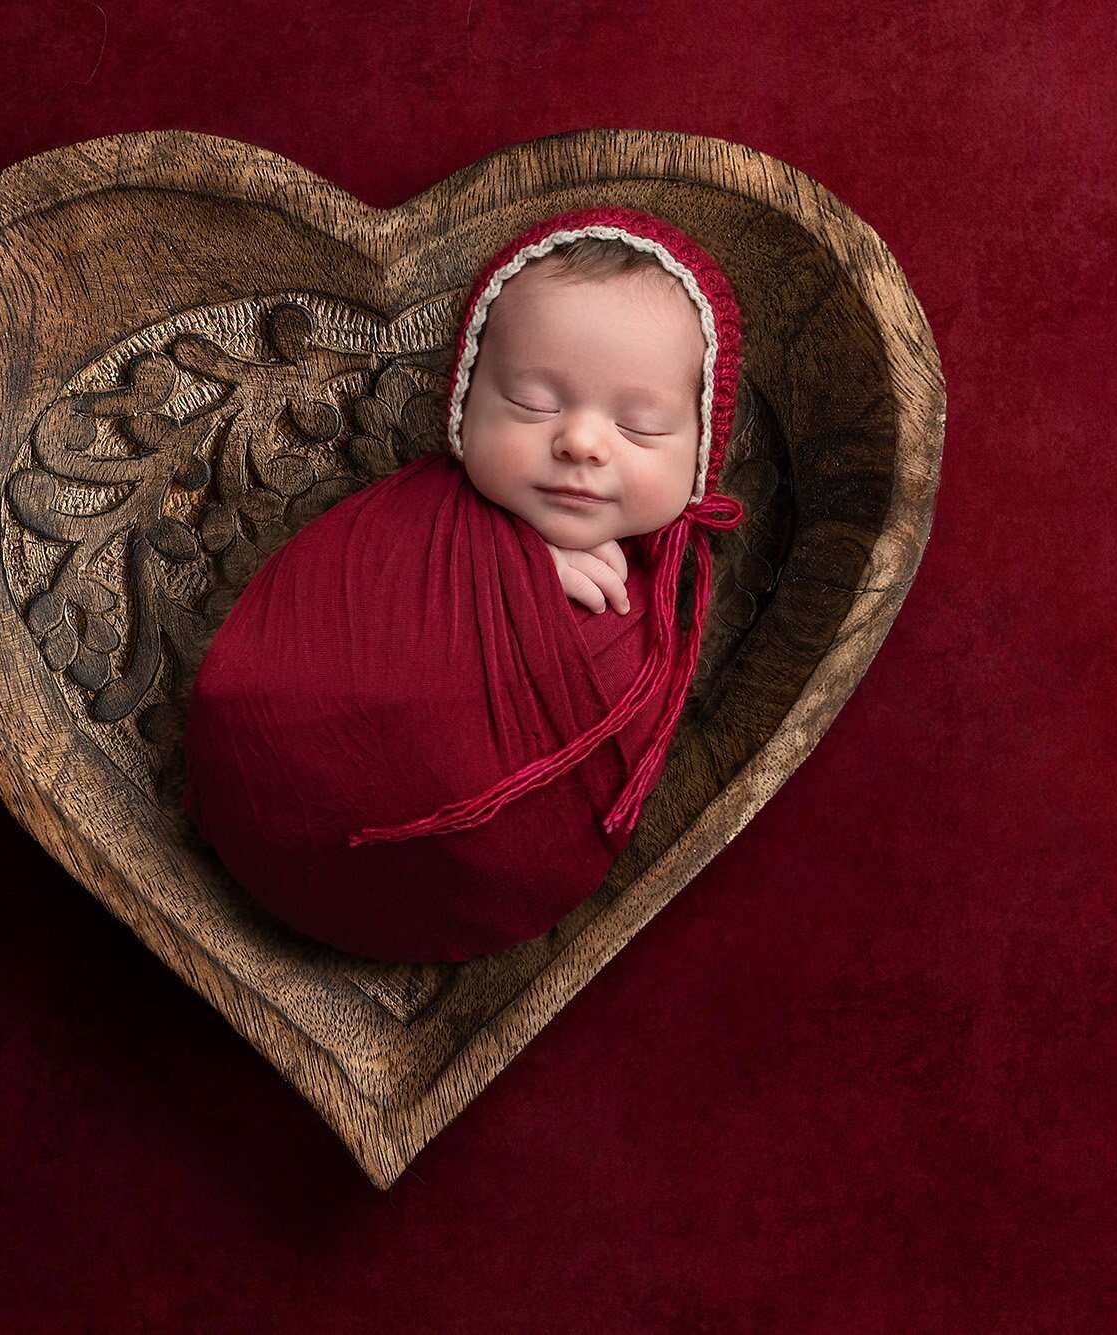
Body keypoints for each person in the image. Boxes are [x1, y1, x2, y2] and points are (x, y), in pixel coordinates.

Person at [182, 206, 745, 961]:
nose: (579, 441)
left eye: (641, 426)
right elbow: (290, 665)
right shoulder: (402, 523)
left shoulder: (655, 618)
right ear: (465, 406)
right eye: (533, 403)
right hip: (269, 806)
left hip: (467, 906)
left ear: (701, 455)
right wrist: (506, 567)